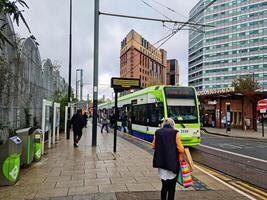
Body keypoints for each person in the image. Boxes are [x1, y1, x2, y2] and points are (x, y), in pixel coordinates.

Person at [152, 118, 184, 200]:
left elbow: (153, 146)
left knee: (164, 186)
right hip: (172, 164)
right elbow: (181, 149)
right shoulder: (175, 133)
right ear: (172, 124)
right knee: (171, 188)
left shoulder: (157, 132)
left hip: (161, 164)